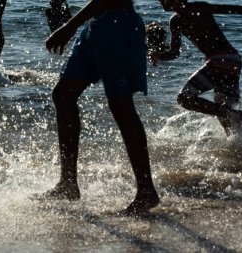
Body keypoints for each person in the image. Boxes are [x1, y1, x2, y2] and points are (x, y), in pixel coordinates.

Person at [33, 0, 160, 215]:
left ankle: (146, 191)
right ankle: (68, 184)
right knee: (63, 95)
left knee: (121, 106)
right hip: (96, 25)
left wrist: (69, 27)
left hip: (118, 24)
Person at [150, 0, 242, 135]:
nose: (160, 1)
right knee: (228, 123)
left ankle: (234, 114)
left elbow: (235, 9)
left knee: (184, 99)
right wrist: (159, 56)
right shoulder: (176, 21)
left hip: (220, 61)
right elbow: (175, 53)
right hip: (233, 61)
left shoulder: (198, 8)